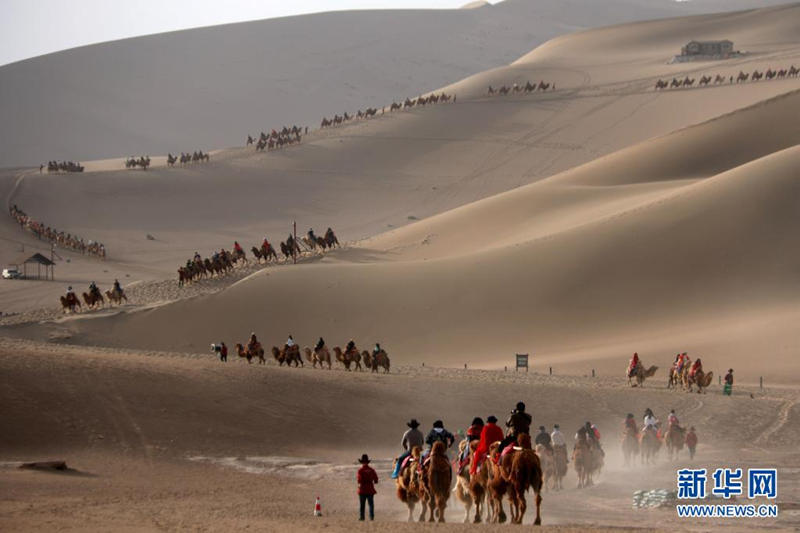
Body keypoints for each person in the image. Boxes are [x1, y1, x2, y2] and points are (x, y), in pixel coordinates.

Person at [356, 454, 378, 521]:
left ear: (362, 462)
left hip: (362, 489)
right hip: (370, 489)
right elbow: (376, 479)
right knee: (371, 504)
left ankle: (362, 517)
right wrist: (374, 481)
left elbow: (359, 480)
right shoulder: (371, 470)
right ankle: (371, 517)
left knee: (362, 505)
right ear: (367, 462)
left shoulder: (360, 470)